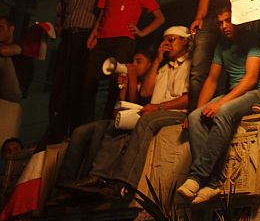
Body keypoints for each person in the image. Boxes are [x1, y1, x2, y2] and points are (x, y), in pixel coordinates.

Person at [59, 27, 191, 202]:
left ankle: (124, 184)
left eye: (171, 39)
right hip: (155, 111)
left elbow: (188, 99)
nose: (166, 44)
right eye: (164, 40)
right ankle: (98, 177)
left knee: (146, 121)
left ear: (185, 41)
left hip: (176, 113)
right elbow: (145, 92)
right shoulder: (163, 68)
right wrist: (158, 60)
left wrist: (158, 107)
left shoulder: (191, 65)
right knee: (117, 124)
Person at [177, 7, 260, 205]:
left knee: (222, 112)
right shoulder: (221, 46)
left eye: (228, 21)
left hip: (256, 93)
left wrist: (221, 103)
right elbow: (211, 80)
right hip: (234, 93)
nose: (224, 26)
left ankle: (197, 176)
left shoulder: (251, 39)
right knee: (195, 117)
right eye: (220, 22)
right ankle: (212, 184)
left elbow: (251, 79)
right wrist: (197, 110)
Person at [50, 51, 155, 201]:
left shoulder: (150, 82)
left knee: (100, 129)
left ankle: (89, 178)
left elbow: (135, 107)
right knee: (80, 132)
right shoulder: (131, 81)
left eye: (139, 61)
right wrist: (122, 90)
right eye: (132, 61)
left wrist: (131, 80)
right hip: (118, 119)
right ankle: (64, 184)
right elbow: (117, 111)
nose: (133, 65)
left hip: (133, 123)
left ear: (149, 64)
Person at [80, 0, 165, 124]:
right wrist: (93, 34)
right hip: (102, 39)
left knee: (117, 82)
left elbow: (160, 18)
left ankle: (108, 120)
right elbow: (101, 16)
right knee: (89, 80)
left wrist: (141, 32)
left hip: (124, 41)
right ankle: (85, 121)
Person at [47, 0, 112, 142]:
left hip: (87, 37)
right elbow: (61, 11)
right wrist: (56, 29)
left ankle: (79, 131)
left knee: (81, 84)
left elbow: (105, 14)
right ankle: (57, 131)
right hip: (68, 36)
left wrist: (96, 34)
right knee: (61, 84)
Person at [0, 16, 21, 102]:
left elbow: (5, 51)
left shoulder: (19, 44)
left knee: (4, 58)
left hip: (12, 96)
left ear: (11, 29)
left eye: (1, 28)